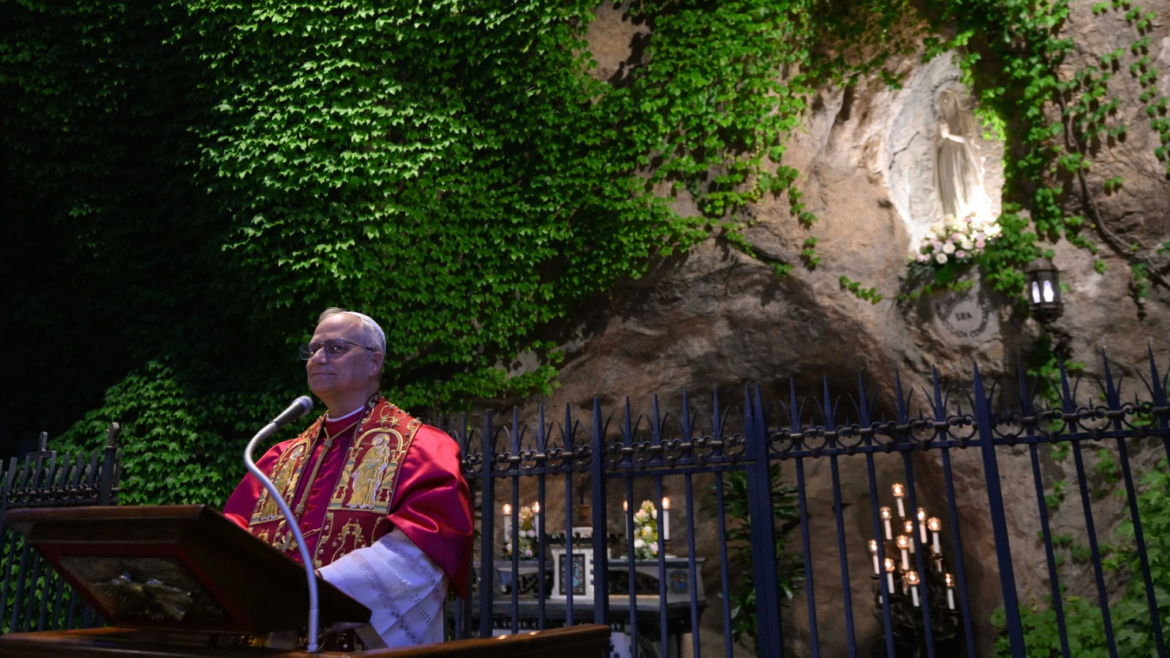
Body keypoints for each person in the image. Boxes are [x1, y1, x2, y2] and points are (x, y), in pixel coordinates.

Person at [223, 307, 473, 650]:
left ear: (374, 363)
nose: (318, 358)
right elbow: (230, 537)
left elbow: (425, 550)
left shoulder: (422, 448)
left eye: (335, 348)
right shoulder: (279, 458)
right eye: (312, 350)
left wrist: (316, 589)